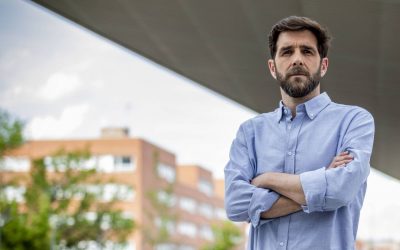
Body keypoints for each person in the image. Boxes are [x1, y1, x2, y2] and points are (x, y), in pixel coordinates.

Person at [224, 16, 375, 250]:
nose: (297, 59)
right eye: (286, 52)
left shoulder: (354, 121)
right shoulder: (250, 133)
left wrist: (267, 180)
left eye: (307, 51)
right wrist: (322, 179)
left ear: (323, 65)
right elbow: (235, 204)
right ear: (272, 68)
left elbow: (340, 190)